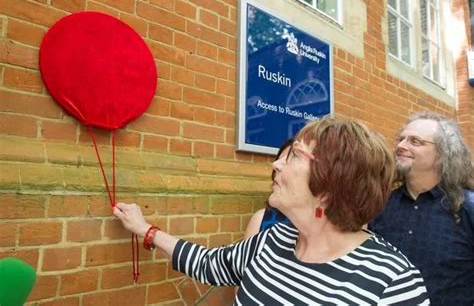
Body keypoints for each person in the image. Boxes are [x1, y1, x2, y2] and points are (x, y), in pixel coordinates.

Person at [113, 116, 429, 304]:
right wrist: (146, 231)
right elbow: (210, 264)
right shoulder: (274, 239)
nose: (276, 163)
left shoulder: (393, 281)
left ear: (329, 187)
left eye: (293, 157)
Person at [369, 112, 474, 305]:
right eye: (401, 139)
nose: (400, 146)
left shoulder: (468, 208)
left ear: (444, 153)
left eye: (415, 141)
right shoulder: (380, 205)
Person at [243, 137, 293, 239]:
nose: (275, 166)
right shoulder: (262, 220)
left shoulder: (330, 229)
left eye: (288, 161)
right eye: (279, 160)